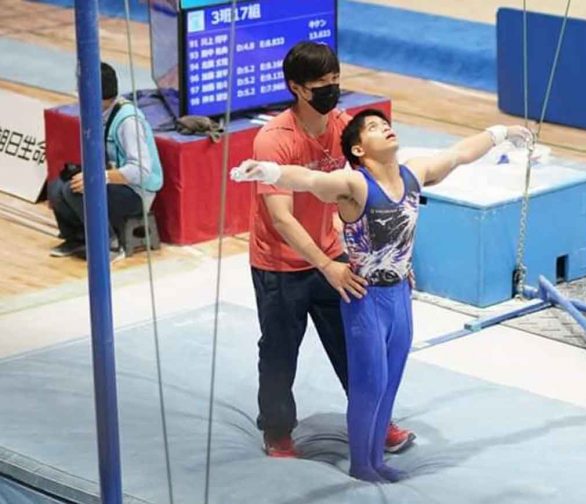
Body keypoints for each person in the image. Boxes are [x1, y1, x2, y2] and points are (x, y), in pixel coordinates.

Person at [232, 109, 533, 481]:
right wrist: (269, 172)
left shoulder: (414, 173)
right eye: (374, 128)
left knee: (389, 384)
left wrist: (501, 132)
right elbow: (310, 179)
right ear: (359, 149)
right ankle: (361, 465)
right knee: (369, 385)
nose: (385, 128)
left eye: (385, 124)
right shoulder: (354, 184)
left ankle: (377, 459)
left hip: (400, 298)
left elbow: (459, 154)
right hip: (366, 301)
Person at [247, 41, 414, 458]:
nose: (331, 90)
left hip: (332, 254)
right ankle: (278, 430)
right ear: (297, 88)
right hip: (279, 263)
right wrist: (326, 265)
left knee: (357, 343)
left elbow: (373, 191)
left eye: (336, 81)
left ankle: (377, 419)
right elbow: (283, 218)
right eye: (321, 84)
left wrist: (387, 256)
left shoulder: (343, 126)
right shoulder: (274, 140)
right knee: (280, 350)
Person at [48, 62, 163, 261]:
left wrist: (101, 178)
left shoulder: (128, 121)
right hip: (114, 180)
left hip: (137, 191)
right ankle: (78, 238)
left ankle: (111, 244)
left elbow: (141, 171)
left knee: (77, 189)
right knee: (57, 185)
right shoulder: (100, 113)